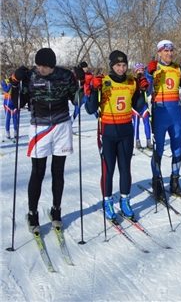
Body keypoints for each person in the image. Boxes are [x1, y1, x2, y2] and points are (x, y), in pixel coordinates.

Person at [10, 48, 85, 233]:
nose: (40, 68)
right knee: (38, 172)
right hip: (39, 127)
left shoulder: (65, 76)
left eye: (44, 66)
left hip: (61, 126)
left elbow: (76, 101)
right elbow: (18, 103)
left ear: (52, 66)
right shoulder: (30, 76)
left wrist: (81, 83)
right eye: (38, 65)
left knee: (58, 171)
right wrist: (14, 82)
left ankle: (56, 211)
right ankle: (32, 214)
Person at [85, 51, 149, 220]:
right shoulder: (104, 81)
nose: (121, 69)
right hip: (108, 133)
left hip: (126, 132)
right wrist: (92, 89)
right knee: (108, 169)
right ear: (111, 66)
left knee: (125, 168)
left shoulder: (131, 82)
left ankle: (125, 201)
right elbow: (90, 109)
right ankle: (107, 202)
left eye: (124, 65)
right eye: (117, 65)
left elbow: (139, 107)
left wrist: (142, 90)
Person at [145, 40, 181, 200]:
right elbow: (146, 90)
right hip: (159, 111)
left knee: (177, 148)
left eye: (171, 50)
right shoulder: (154, 67)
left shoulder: (178, 68)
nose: (169, 53)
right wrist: (148, 75)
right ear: (159, 52)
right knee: (158, 149)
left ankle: (175, 181)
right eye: (165, 51)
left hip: (175, 112)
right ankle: (157, 182)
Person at [131, 62, 152, 150]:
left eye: (142, 70)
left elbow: (149, 92)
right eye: (138, 70)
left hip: (144, 105)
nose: (140, 72)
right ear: (135, 71)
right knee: (136, 124)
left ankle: (148, 141)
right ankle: (137, 141)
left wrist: (146, 87)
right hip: (135, 106)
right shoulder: (133, 80)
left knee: (147, 123)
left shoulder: (146, 79)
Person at [2, 69, 18, 140]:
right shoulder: (4, 81)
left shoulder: (17, 81)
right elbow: (6, 90)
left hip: (14, 102)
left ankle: (15, 132)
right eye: (13, 74)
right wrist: (11, 84)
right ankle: (7, 132)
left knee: (15, 118)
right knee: (8, 118)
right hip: (7, 102)